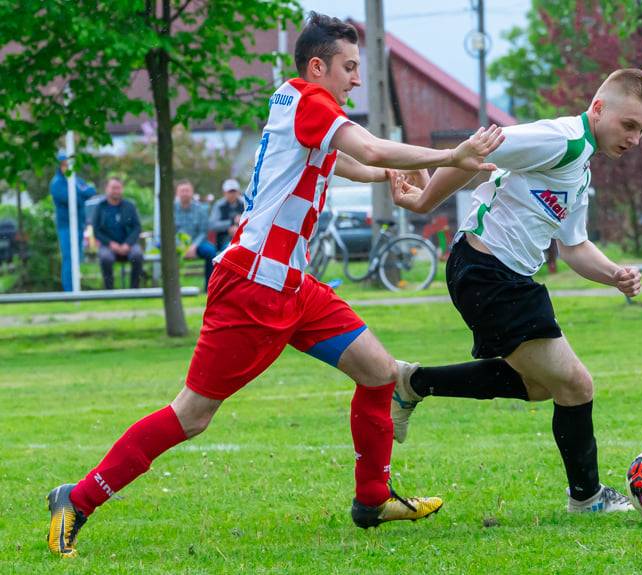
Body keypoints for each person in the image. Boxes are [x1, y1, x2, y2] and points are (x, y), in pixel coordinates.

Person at [46, 11, 503, 558]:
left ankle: (372, 499)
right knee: (192, 415)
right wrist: (451, 155)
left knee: (380, 373)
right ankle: (76, 499)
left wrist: (388, 172)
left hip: (291, 286)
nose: (357, 79)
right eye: (349, 67)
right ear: (318, 67)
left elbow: (352, 163)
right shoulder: (310, 102)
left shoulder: (298, 104)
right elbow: (371, 150)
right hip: (252, 288)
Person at [387, 68, 642, 515]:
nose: (635, 138)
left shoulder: (580, 169)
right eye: (629, 125)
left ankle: (411, 382)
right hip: (486, 270)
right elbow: (477, 150)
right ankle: (587, 498)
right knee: (576, 384)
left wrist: (614, 275)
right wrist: (425, 200)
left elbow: (573, 246)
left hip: (505, 278)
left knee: (542, 385)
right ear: (598, 108)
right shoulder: (561, 140)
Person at [49, 151, 97, 291]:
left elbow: (91, 191)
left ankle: (76, 287)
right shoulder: (56, 183)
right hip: (66, 226)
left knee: (77, 257)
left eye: (68, 164)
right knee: (69, 257)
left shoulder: (75, 179)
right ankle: (69, 290)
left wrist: (79, 195)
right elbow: (72, 199)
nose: (66, 167)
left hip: (79, 224)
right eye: (64, 164)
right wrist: (80, 196)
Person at [92, 178, 143, 289]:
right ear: (107, 189)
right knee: (105, 258)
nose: (116, 191)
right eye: (113, 188)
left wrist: (128, 244)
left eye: (118, 188)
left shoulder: (129, 206)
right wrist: (110, 244)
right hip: (108, 246)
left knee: (137, 255)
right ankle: (109, 291)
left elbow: (137, 227)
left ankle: (135, 290)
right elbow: (96, 231)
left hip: (129, 245)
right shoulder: (100, 207)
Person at [174, 180, 217, 289]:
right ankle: (172, 287)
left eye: (187, 190)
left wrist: (193, 246)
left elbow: (203, 232)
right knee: (166, 252)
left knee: (211, 252)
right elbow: (170, 232)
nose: (185, 193)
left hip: (197, 244)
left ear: (192, 192)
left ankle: (209, 288)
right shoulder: (170, 209)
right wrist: (182, 247)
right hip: (177, 245)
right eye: (182, 191)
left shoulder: (200, 209)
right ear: (177, 193)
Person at [209, 178, 245, 251]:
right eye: (230, 192)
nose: (232, 194)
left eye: (234, 191)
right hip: (224, 239)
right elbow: (212, 225)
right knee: (231, 249)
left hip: (243, 238)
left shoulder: (244, 204)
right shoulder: (219, 205)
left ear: (238, 192)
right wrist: (231, 222)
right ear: (224, 192)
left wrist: (239, 227)